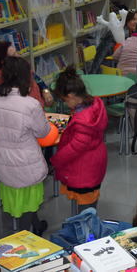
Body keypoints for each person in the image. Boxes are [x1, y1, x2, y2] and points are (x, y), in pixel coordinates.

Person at [0, 57, 50, 235]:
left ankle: (36, 224)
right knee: (29, 200)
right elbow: (42, 132)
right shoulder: (30, 104)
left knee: (20, 200)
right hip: (26, 162)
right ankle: (24, 237)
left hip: (3, 160)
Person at [51, 67, 108, 211]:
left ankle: (86, 232)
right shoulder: (92, 105)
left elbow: (75, 147)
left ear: (71, 96)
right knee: (89, 203)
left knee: (86, 211)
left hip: (84, 168)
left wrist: (56, 160)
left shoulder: (83, 120)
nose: (65, 104)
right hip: (93, 162)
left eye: (64, 100)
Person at [0, 41, 53, 107]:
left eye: (16, 52)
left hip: (38, 110)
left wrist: (46, 91)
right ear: (3, 62)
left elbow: (38, 80)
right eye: (14, 55)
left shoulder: (21, 68)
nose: (19, 56)